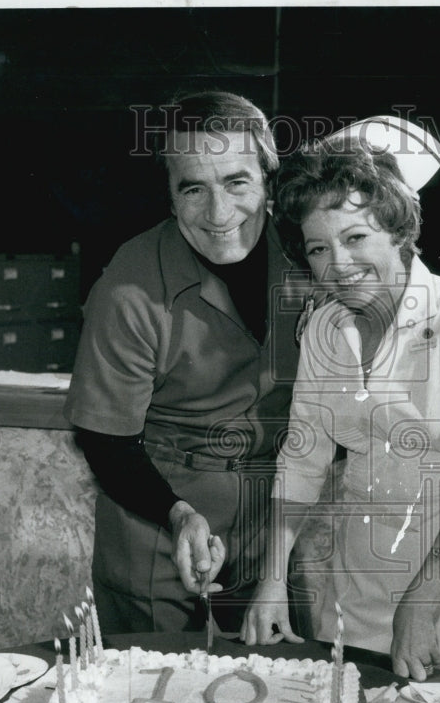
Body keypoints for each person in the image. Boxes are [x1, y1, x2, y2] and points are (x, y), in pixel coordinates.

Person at [241, 117, 440, 703]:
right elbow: (302, 462)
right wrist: (272, 579)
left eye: (355, 238)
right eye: (319, 248)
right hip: (365, 575)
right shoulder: (323, 326)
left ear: (400, 232)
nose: (337, 265)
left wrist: (422, 604)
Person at [64, 91, 306, 634]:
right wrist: (178, 516)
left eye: (236, 181)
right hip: (158, 530)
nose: (219, 214)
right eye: (193, 188)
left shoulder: (307, 257)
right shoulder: (128, 285)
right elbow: (105, 438)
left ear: (269, 183)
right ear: (170, 199)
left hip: (271, 529)